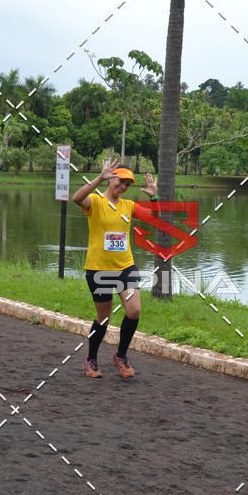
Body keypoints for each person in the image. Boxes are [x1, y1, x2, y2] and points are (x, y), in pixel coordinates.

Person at [72, 158, 158, 379]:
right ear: (111, 180)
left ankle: (120, 355)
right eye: (120, 182)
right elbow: (76, 198)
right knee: (103, 317)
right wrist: (99, 177)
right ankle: (91, 359)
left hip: (125, 268)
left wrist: (154, 197)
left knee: (134, 310)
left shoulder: (128, 206)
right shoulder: (96, 201)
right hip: (98, 269)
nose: (122, 187)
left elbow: (154, 218)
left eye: (127, 185)